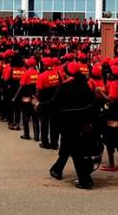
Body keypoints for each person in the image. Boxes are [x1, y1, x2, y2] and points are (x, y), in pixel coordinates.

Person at [41, 61, 97, 189]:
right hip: (82, 121)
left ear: (67, 74)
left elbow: (54, 103)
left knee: (76, 151)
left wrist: (40, 105)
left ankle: (85, 180)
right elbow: (91, 103)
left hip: (68, 122)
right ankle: (57, 169)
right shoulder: (85, 85)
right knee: (67, 146)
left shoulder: (65, 87)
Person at [100, 65, 118, 172]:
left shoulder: (113, 84)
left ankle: (111, 164)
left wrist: (101, 92)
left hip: (113, 114)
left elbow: (111, 100)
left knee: (110, 139)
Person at [36, 57, 62, 149]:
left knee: (44, 124)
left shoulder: (41, 76)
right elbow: (61, 86)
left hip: (44, 102)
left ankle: (45, 143)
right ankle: (54, 144)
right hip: (55, 102)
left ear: (45, 65)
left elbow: (38, 91)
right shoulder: (58, 73)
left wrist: (37, 102)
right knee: (55, 124)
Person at [14, 57, 40, 141]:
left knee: (25, 117)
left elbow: (21, 87)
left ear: (27, 64)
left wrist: (15, 97)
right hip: (35, 98)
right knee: (35, 117)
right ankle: (36, 136)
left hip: (26, 98)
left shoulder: (26, 74)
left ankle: (26, 134)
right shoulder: (38, 73)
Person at [3, 53, 25, 130]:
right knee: (18, 108)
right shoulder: (23, 69)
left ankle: (10, 123)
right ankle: (17, 124)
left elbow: (6, 80)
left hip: (11, 90)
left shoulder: (10, 68)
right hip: (20, 90)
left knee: (10, 107)